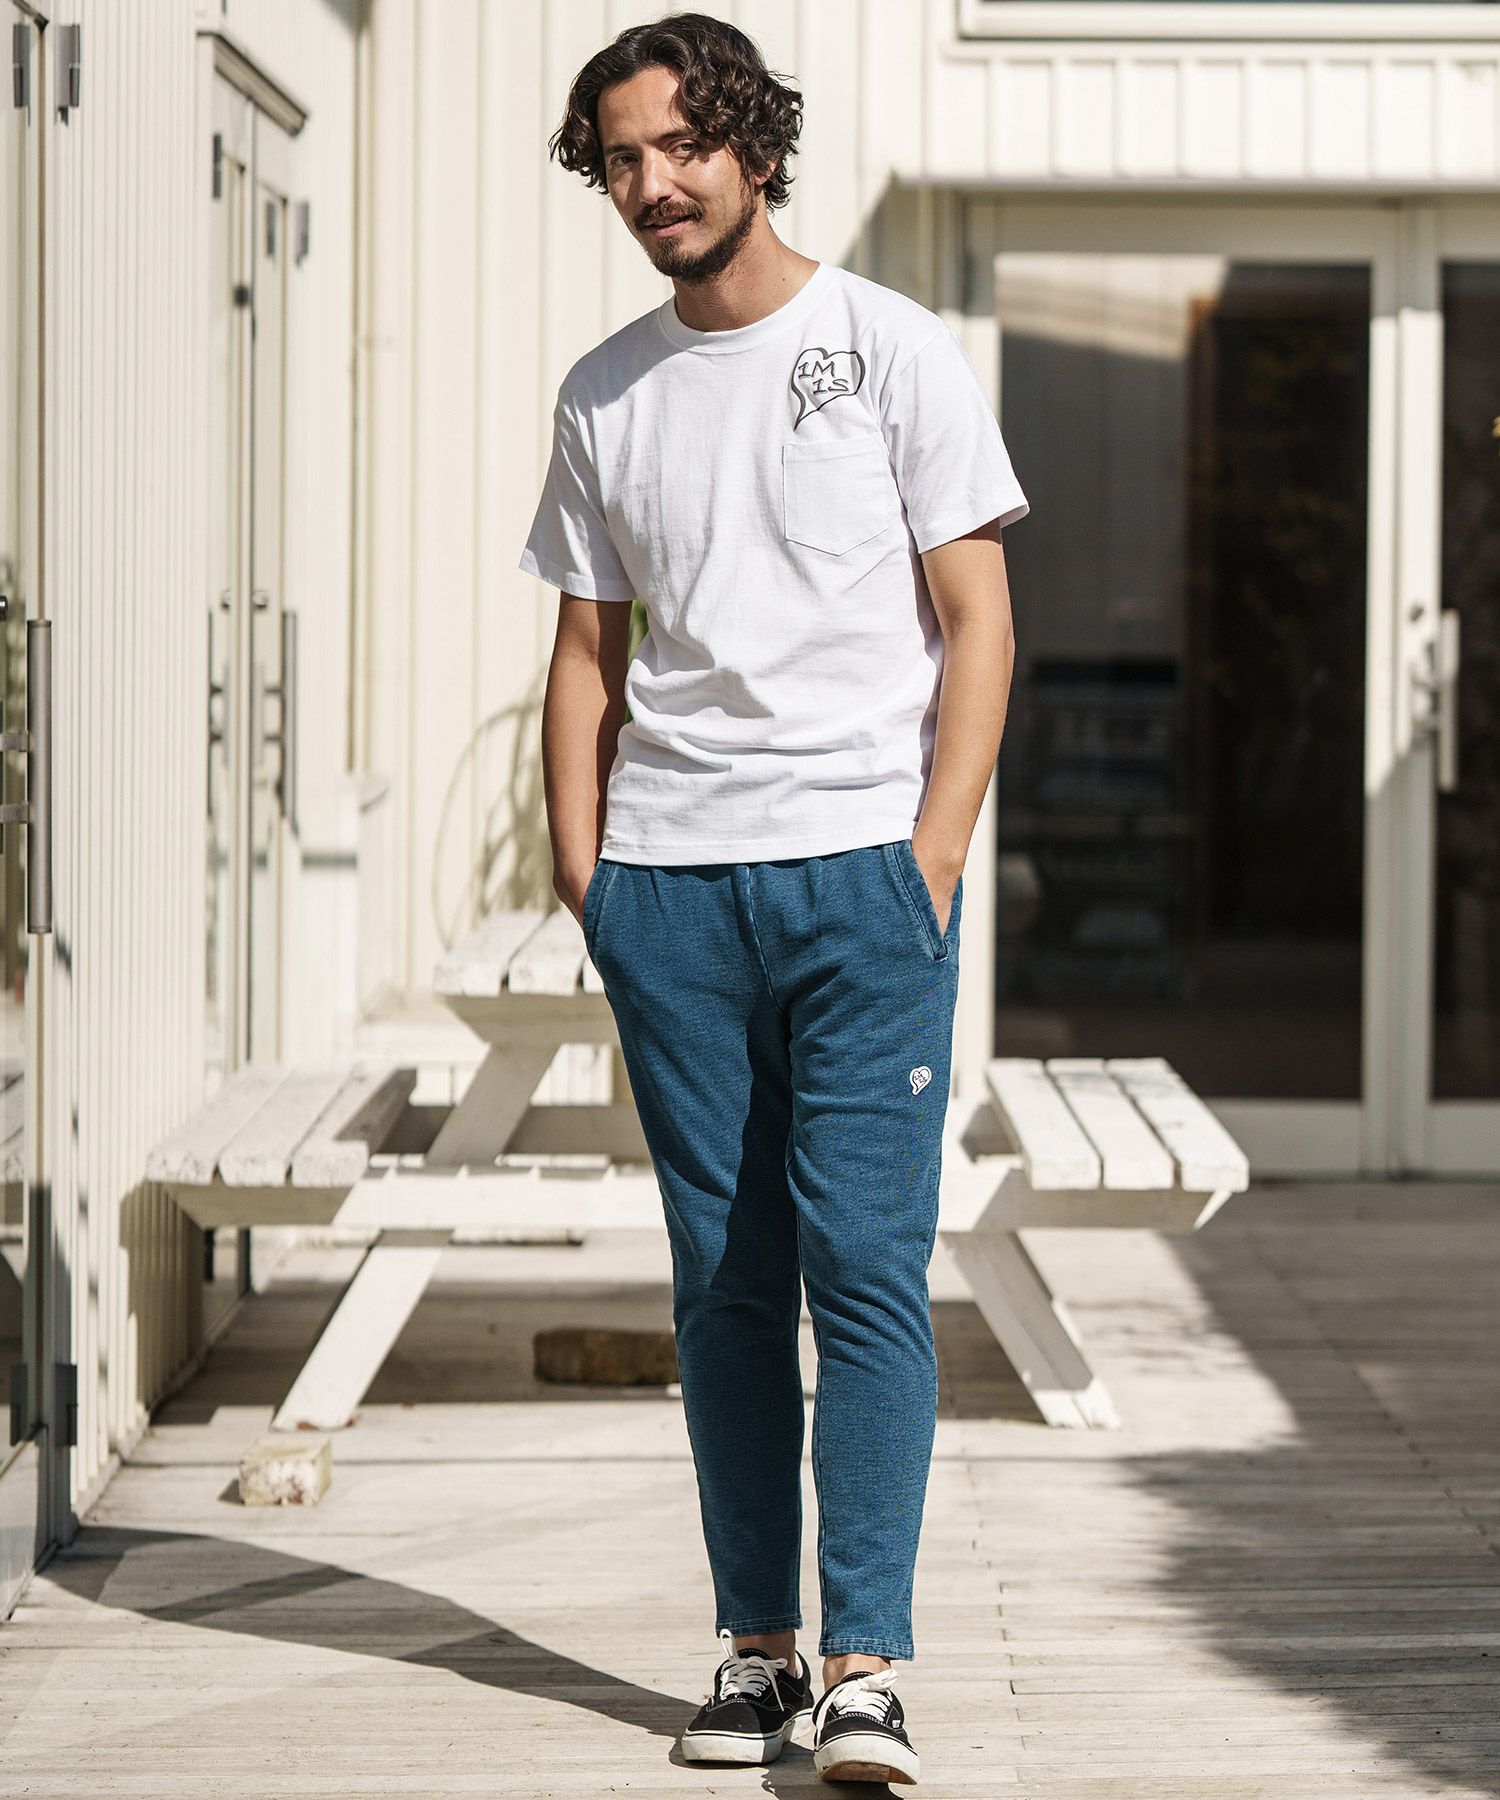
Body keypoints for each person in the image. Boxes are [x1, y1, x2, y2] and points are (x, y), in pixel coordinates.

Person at [518, 12, 1027, 1787]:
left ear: (753, 145)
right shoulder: (604, 392)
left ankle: (867, 1669)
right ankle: (757, 1653)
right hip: (670, 890)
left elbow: (979, 621)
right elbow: (586, 658)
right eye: (621, 160)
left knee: (865, 1268)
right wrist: (587, 872)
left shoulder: (889, 347)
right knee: (725, 1285)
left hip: (862, 879)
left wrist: (932, 856)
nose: (652, 184)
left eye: (682, 146)